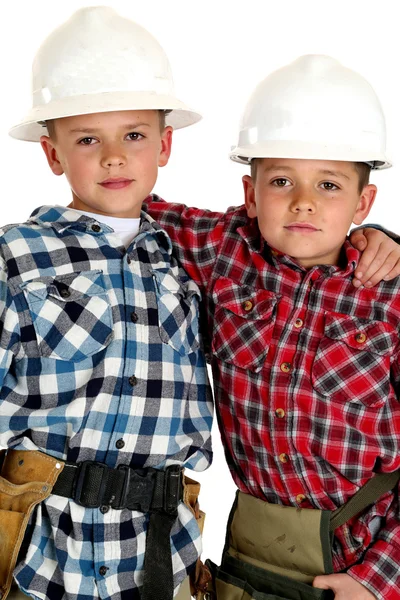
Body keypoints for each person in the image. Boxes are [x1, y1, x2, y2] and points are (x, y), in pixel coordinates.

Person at [146, 55, 400, 599]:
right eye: (281, 180)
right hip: (248, 554)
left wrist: (379, 579)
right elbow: (130, 205)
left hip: (361, 558)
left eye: (330, 185)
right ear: (250, 192)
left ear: (365, 202)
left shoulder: (391, 296)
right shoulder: (224, 253)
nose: (303, 201)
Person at [0, 7, 213, 600]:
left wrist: (377, 237)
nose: (114, 156)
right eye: (88, 139)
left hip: (159, 556)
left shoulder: (188, 261)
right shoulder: (17, 257)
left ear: (165, 145)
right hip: (41, 552)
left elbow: (294, 260)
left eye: (134, 136)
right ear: (52, 154)